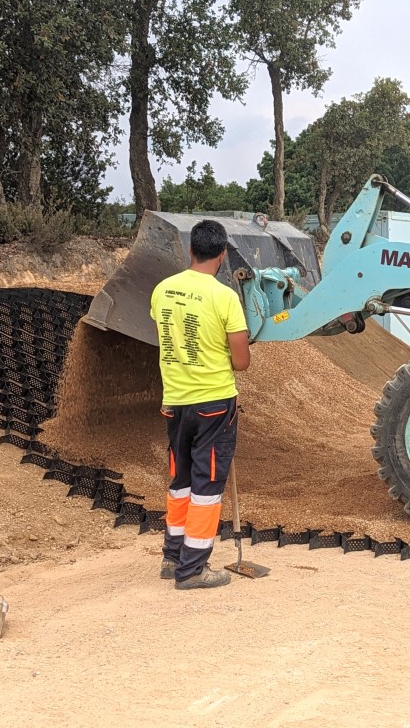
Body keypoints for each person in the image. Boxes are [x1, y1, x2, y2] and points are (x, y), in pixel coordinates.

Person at [150, 220, 251, 590]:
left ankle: (172, 555)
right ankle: (192, 569)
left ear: (190, 250)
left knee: (179, 481)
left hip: (175, 401)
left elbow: (169, 337)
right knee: (207, 485)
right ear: (222, 255)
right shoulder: (224, 297)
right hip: (213, 402)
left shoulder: (163, 290)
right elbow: (241, 362)